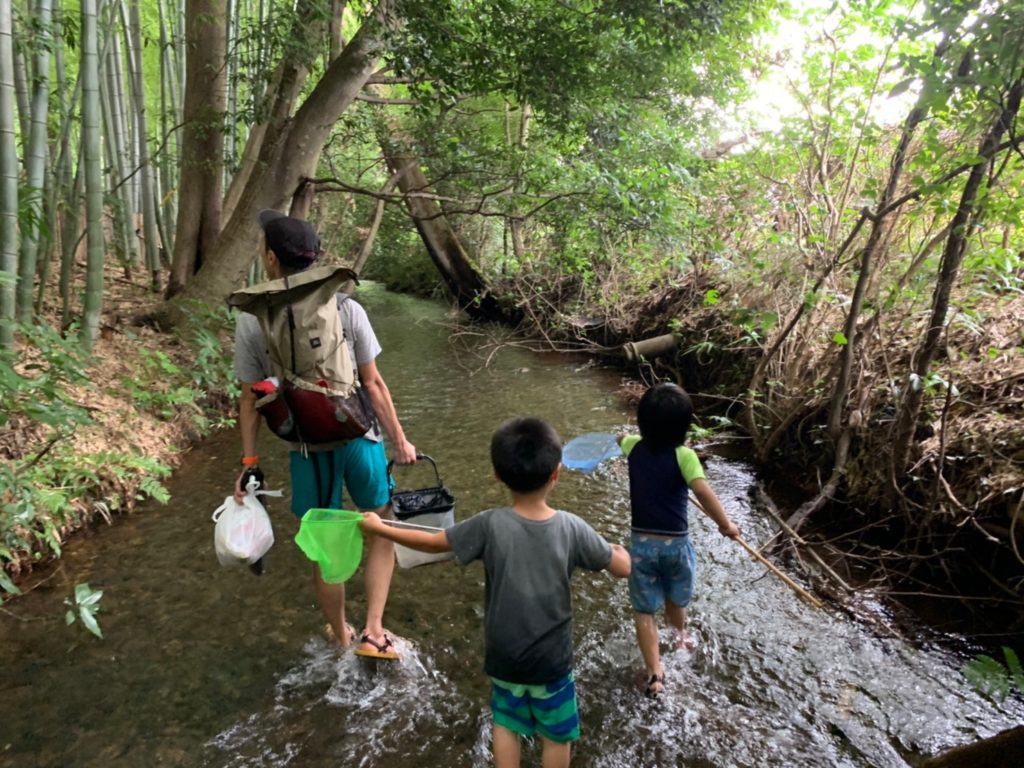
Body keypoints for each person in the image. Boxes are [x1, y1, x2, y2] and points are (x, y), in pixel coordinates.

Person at [360, 417, 631, 768]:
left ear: (498, 476)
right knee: (557, 733)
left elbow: (431, 543)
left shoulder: (489, 524)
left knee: (507, 725)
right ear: (556, 474)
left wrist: (382, 527)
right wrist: (621, 551)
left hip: (505, 657)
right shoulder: (572, 528)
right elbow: (621, 568)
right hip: (552, 660)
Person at [232, 210, 416, 659]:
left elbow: (250, 399)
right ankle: (375, 630)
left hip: (307, 448)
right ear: (315, 258)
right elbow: (373, 383)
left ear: (271, 259)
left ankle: (340, 635)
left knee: (326, 544)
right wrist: (400, 439)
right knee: (381, 526)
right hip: (359, 438)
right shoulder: (346, 308)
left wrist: (249, 463)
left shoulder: (253, 321)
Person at [617, 382, 740, 699]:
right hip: (676, 547)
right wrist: (726, 526)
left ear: (642, 422)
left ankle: (655, 674)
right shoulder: (685, 456)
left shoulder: (633, 446)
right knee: (675, 597)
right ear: (685, 428)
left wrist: (621, 437)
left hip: (642, 546)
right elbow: (702, 491)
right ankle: (680, 637)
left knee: (644, 611)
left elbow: (621, 439)